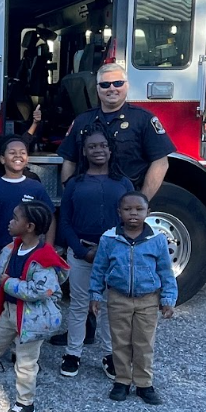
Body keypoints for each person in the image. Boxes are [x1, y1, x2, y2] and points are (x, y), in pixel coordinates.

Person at [0, 201, 69, 412]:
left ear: (29, 226)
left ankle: (25, 404)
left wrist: (10, 284)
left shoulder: (44, 257)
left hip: (33, 319)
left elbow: (42, 290)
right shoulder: (10, 248)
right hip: (9, 312)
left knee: (26, 363)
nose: (10, 222)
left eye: (15, 218)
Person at [58, 124, 134, 379]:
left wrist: (116, 248)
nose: (98, 150)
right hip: (82, 252)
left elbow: (132, 220)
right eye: (92, 146)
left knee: (111, 305)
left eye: (103, 145)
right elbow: (65, 221)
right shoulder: (74, 184)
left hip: (114, 254)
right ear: (84, 151)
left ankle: (109, 354)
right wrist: (80, 250)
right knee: (80, 304)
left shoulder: (123, 183)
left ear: (110, 150)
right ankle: (73, 354)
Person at [90, 192, 177, 405]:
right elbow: (99, 269)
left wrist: (168, 299)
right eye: (128, 209)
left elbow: (166, 271)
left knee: (144, 342)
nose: (133, 214)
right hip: (118, 298)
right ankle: (121, 381)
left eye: (139, 209)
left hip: (148, 299)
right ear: (119, 212)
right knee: (119, 342)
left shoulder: (156, 239)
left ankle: (144, 384)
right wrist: (95, 294)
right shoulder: (109, 238)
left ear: (148, 212)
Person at [0, 136, 55, 338]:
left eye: (22, 152)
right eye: (12, 152)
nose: (18, 156)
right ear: (1, 159)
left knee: (24, 300)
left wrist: (49, 249)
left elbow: (50, 217)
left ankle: (20, 347)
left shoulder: (36, 187)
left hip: (29, 256)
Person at [58, 63, 175, 198]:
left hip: (126, 201)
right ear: (97, 89)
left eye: (118, 83)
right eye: (105, 85)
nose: (112, 88)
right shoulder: (82, 121)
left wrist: (141, 200)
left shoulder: (143, 119)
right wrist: (69, 196)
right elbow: (69, 161)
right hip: (88, 199)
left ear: (127, 85)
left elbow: (160, 162)